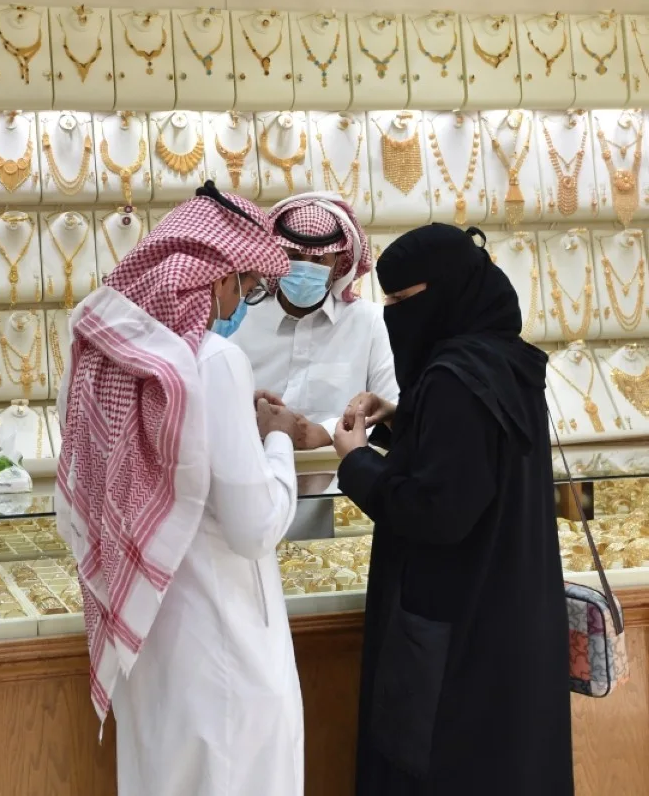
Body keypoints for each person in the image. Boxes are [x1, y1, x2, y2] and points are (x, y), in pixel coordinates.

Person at [56, 183, 304, 796]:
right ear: (216, 277)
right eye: (247, 286)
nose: (245, 301)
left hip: (154, 630)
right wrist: (277, 442)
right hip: (227, 638)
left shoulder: (110, 352)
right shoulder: (213, 360)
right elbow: (252, 527)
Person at [331, 224, 573, 795]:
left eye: (401, 301)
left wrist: (355, 462)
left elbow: (436, 511)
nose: (392, 315)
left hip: (454, 640)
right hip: (507, 623)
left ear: (443, 292)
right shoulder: (501, 362)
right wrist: (400, 417)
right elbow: (468, 461)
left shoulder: (453, 379)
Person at [231, 193, 398, 539]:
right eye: (293, 256)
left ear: (339, 262)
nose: (305, 266)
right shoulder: (239, 317)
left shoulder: (369, 323)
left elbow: (393, 409)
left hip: (344, 502)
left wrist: (322, 432)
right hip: (245, 497)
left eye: (318, 258)